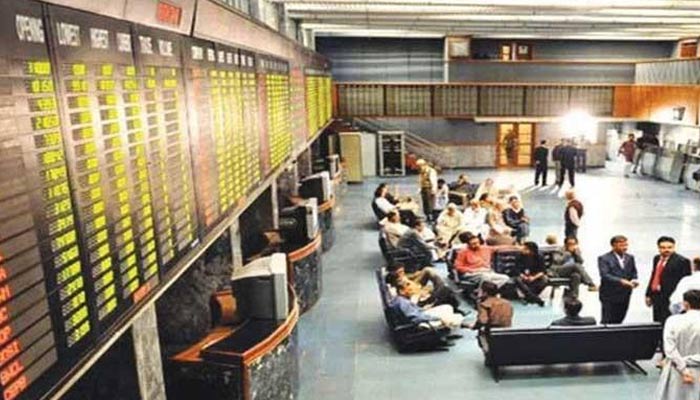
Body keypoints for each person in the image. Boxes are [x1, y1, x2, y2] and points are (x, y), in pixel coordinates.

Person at [653, 290, 700, 400]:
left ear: (685, 304)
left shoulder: (672, 321)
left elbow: (670, 350)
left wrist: (684, 369)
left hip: (676, 370)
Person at [646, 237, 691, 328]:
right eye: (663, 247)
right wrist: (648, 294)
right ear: (658, 248)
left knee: (669, 324)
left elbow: (685, 282)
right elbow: (654, 275)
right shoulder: (657, 258)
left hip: (670, 299)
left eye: (670, 247)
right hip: (657, 297)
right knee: (657, 323)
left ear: (674, 247)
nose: (666, 250)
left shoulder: (682, 261)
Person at [390, 279, 466, 329]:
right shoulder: (403, 303)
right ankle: (445, 323)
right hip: (420, 323)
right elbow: (415, 318)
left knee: (448, 307)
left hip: (420, 314)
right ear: (401, 291)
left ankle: (447, 321)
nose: (411, 291)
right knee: (458, 317)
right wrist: (437, 318)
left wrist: (422, 309)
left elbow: (413, 311)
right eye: (408, 289)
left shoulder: (401, 300)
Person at [598, 235, 639, 324]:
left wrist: (634, 279)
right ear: (613, 246)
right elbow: (605, 275)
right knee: (607, 319)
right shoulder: (604, 258)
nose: (624, 248)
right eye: (621, 245)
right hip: (609, 295)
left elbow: (633, 271)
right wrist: (620, 281)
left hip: (625, 294)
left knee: (620, 317)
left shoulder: (630, 257)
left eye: (626, 245)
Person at [385, 265, 458, 309]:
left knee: (445, 290)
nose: (402, 276)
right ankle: (455, 306)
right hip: (423, 301)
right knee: (445, 289)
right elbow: (413, 301)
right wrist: (422, 295)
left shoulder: (400, 285)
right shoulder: (400, 291)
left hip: (421, 294)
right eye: (399, 278)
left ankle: (455, 306)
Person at [514, 242, 546, 306]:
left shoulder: (539, 257)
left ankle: (529, 297)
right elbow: (516, 269)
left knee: (544, 280)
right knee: (517, 279)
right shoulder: (519, 256)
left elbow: (542, 271)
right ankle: (535, 298)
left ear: (531, 251)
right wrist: (523, 276)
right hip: (523, 275)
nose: (522, 249)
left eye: (525, 248)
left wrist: (534, 277)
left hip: (534, 275)